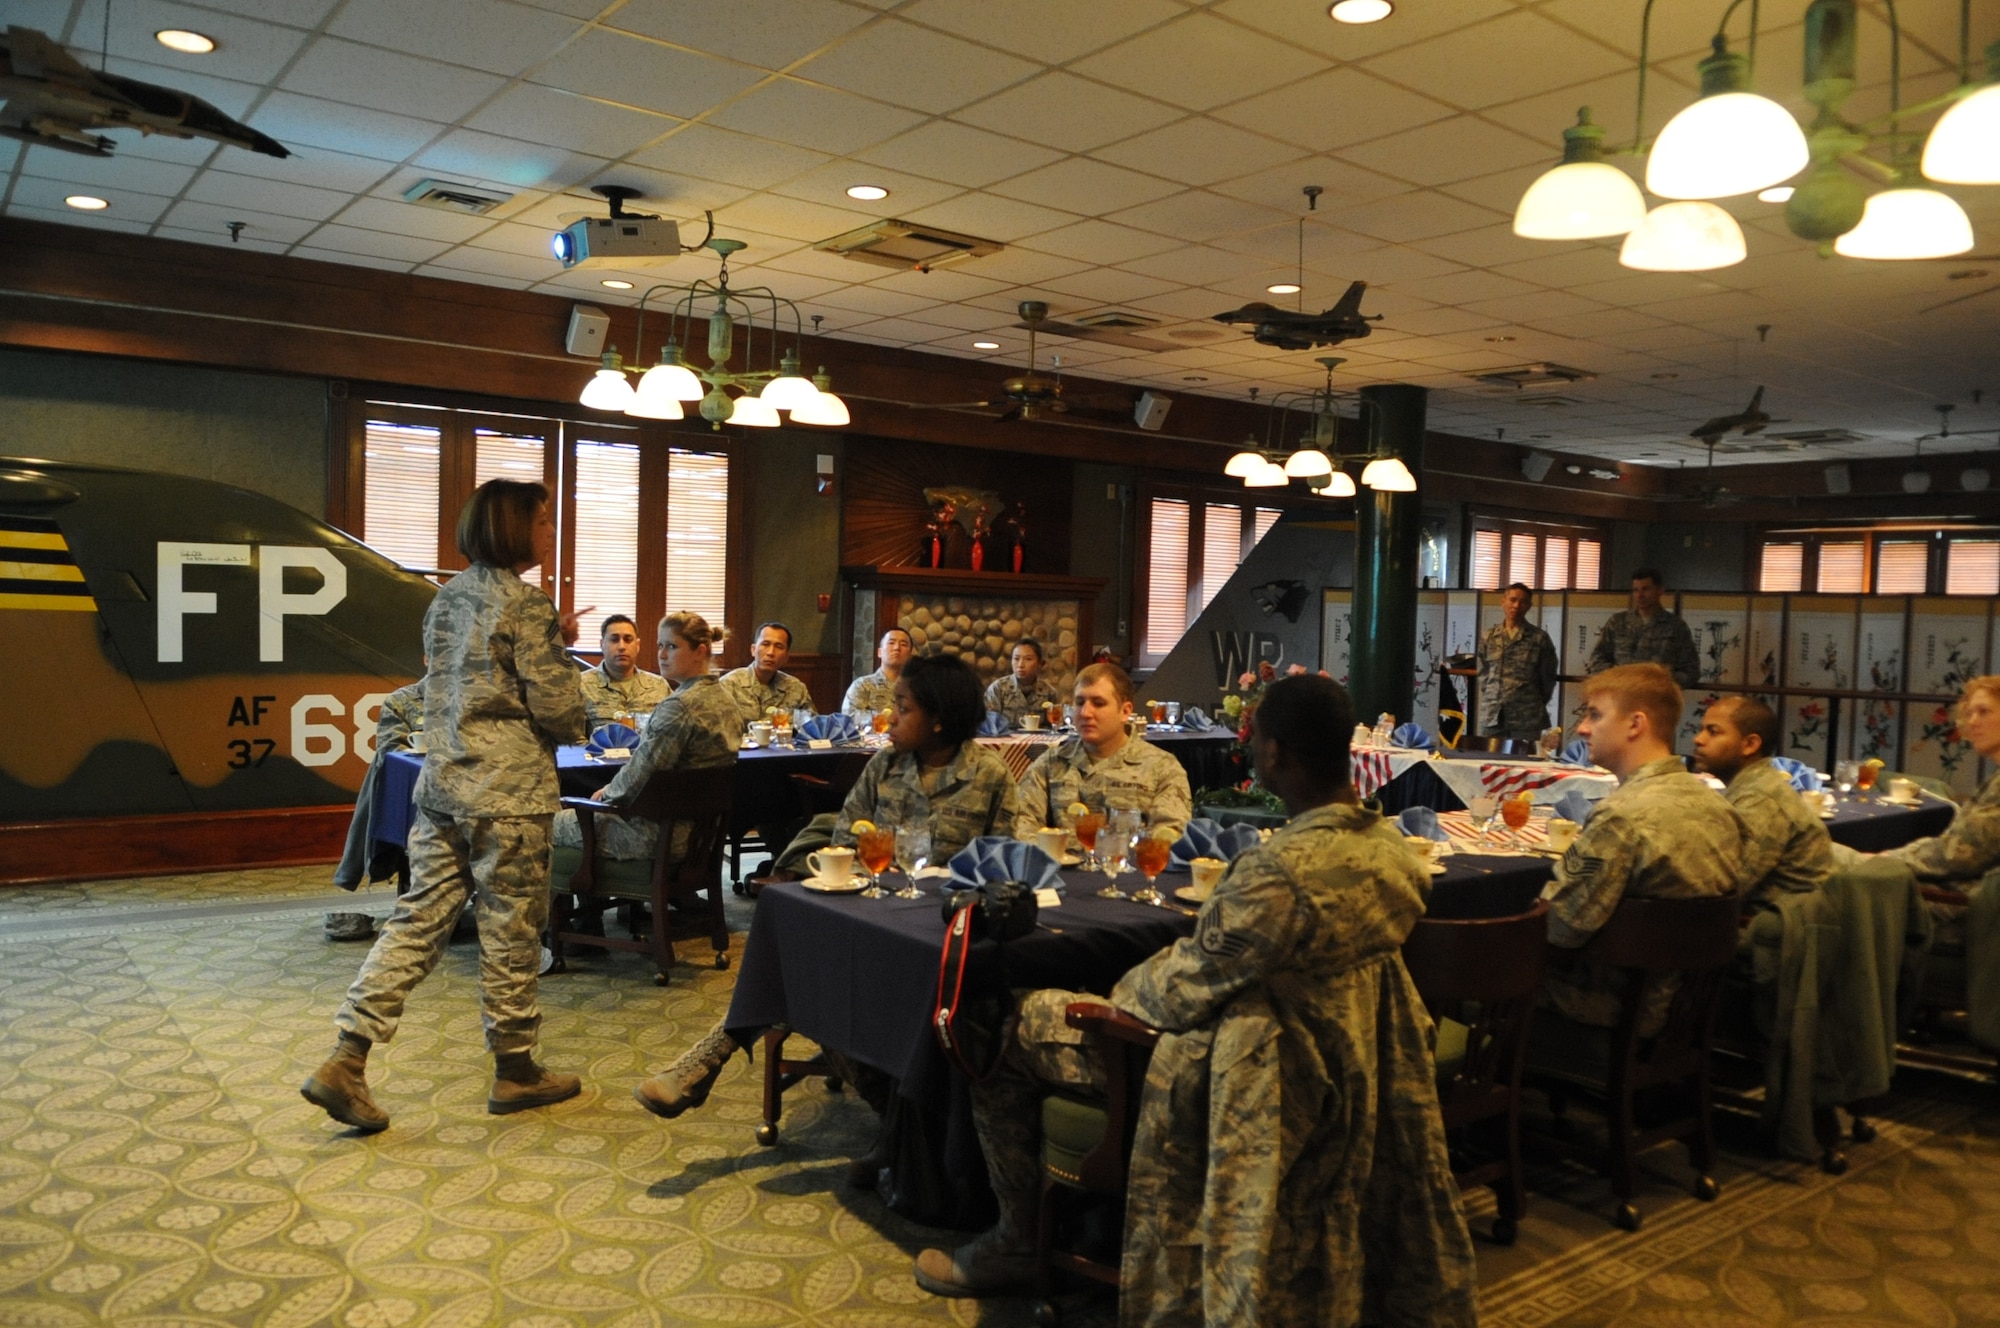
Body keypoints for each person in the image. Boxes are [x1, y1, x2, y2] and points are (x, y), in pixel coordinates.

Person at [912, 674, 1478, 1321]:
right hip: (1350, 1060)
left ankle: (1016, 1239)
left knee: (1002, 1018)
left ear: (1275, 755)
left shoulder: (1278, 873)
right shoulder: (1391, 852)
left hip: (1253, 1075)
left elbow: (1171, 996)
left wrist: (1109, 993)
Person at [303, 479, 588, 1133]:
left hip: (441, 788)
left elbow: (465, 678)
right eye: (544, 521)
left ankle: (347, 1057)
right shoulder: (531, 604)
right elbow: (562, 714)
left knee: (414, 924)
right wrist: (562, 658)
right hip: (509, 796)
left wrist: (547, 643)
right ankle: (516, 1071)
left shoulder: (445, 600)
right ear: (516, 528)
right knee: (511, 933)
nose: (551, 531)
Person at [632, 653, 1020, 1120]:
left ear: (939, 719)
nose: (890, 717)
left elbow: (1003, 870)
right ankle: (712, 1057)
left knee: (821, 977)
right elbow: (844, 841)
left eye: (904, 707)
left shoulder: (990, 775)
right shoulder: (884, 766)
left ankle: (713, 1059)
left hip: (939, 933)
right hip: (875, 915)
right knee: (800, 945)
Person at [1540, 664, 1746, 1035]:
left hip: (1609, 1009)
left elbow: (1562, 927)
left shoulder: (1620, 816)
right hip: (1684, 1009)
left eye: (1594, 715)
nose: (1582, 728)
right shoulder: (1721, 808)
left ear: (1636, 724)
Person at [553, 612, 741, 864]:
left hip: (658, 835)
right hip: (704, 833)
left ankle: (570, 891)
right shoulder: (726, 699)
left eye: (672, 647)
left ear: (700, 651)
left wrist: (606, 793)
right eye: (660, 645)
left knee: (545, 823)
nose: (662, 655)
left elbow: (643, 774)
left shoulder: (679, 705)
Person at [1012, 661, 1191, 841]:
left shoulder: (1162, 767)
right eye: (1079, 703)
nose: (1085, 713)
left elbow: (1170, 836)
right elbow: (1022, 826)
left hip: (1130, 866)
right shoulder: (1051, 763)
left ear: (1125, 711)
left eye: (1098, 703)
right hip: (1061, 865)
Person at [1692, 695, 1833, 910]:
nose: (1698, 739)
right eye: (1701, 729)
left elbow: (1726, 889)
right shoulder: (1753, 785)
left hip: (1784, 929)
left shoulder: (1762, 798)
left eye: (1713, 731)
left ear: (1750, 744)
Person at [327, 676, 427, 942]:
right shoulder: (402, 701)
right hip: (420, 796)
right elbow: (391, 751)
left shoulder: (478, 695)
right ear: (428, 659)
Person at [1586, 567, 1701, 688]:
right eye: (1636, 590)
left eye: (1645, 589)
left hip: (1656, 697)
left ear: (1660, 591)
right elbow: (1597, 658)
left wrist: (1661, 680)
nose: (1640, 595)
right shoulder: (1618, 622)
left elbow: (1691, 671)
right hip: (1620, 695)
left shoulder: (1675, 626)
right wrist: (1618, 676)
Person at [1476, 582, 1560, 742]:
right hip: (1493, 715)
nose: (1516, 605)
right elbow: (1483, 671)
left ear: (1529, 606)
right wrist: (1492, 693)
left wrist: (1532, 700)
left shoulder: (1538, 638)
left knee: (1524, 762)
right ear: (1503, 601)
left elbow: (1547, 677)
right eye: (1512, 600)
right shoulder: (1489, 636)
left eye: (1522, 602)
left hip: (1527, 717)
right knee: (1489, 761)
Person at [579, 614, 670, 729]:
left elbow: (671, 732)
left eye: (628, 640)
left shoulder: (659, 686)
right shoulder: (580, 685)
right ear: (602, 645)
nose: (622, 646)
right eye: (614, 640)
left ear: (637, 645)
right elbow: (574, 739)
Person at [719, 620, 814, 728]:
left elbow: (812, 730)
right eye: (765, 644)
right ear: (753, 650)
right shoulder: (729, 684)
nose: (770, 652)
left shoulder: (796, 688)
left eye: (778, 646)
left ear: (786, 657)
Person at [983, 638, 1062, 726]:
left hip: (1039, 739)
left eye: (1028, 659)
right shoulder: (998, 689)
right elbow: (990, 726)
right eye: (1016, 659)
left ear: (1040, 663)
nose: (1020, 665)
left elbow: (1055, 727)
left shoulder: (1049, 692)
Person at [842, 626, 912, 720]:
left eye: (903, 644)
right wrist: (884, 719)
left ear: (910, 655)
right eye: (891, 643)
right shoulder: (863, 685)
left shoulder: (917, 687)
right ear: (879, 652)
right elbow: (849, 717)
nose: (897, 648)